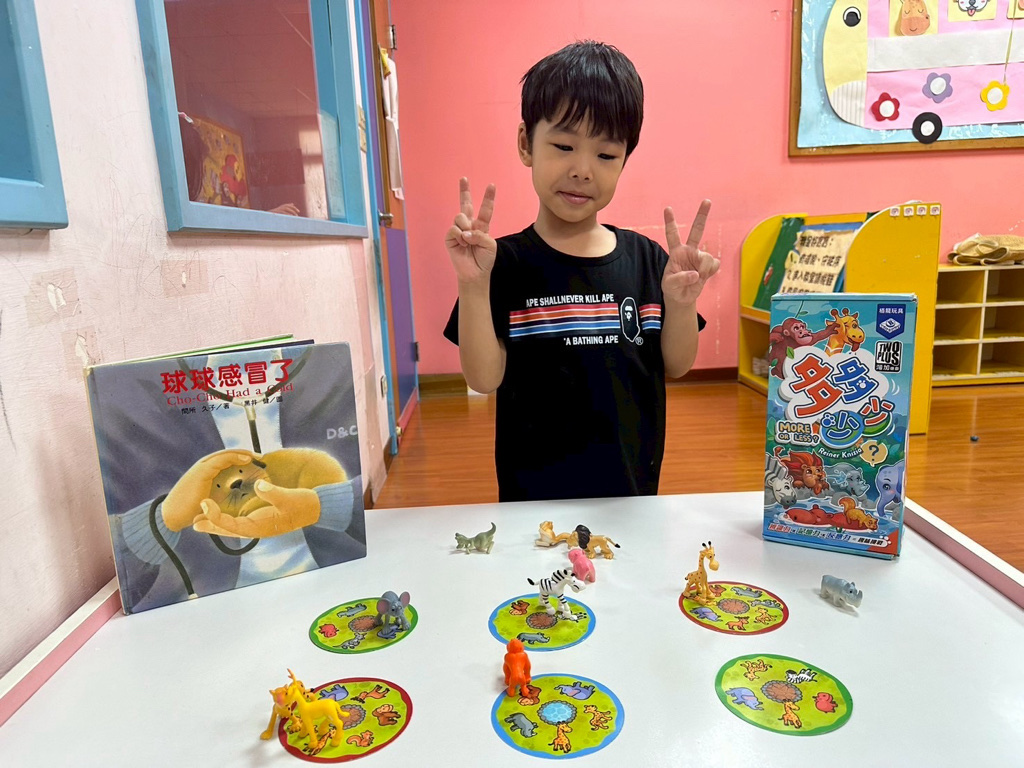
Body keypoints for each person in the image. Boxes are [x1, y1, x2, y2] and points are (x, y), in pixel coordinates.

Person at [442, 41, 720, 503]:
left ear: (625, 159)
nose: (583, 170)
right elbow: (483, 380)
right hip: (533, 504)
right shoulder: (501, 262)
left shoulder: (647, 259)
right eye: (564, 146)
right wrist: (472, 285)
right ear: (526, 144)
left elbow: (676, 365)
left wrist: (682, 303)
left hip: (631, 496)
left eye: (606, 155)